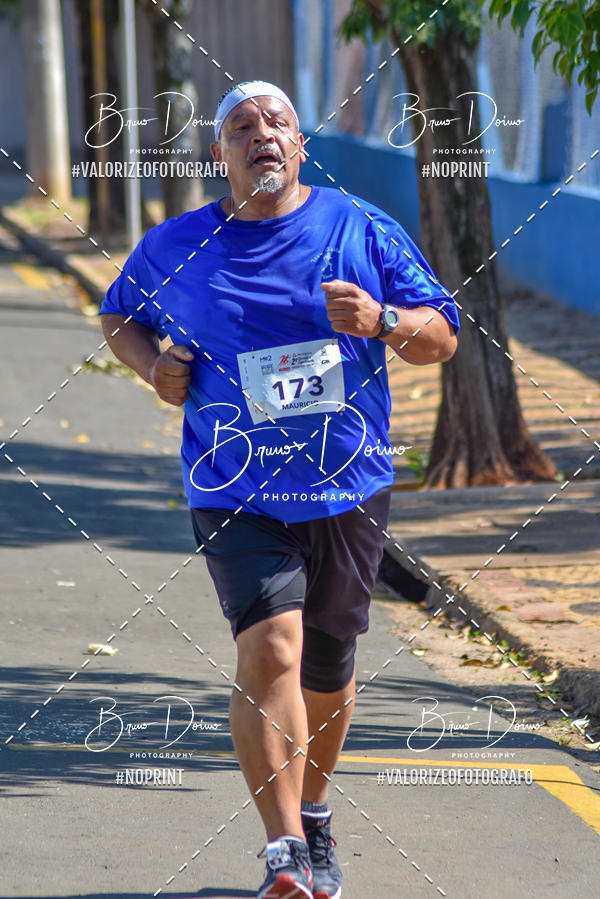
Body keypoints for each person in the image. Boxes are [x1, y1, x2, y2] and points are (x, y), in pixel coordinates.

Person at [99, 80, 459, 899]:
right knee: (272, 649)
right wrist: (151, 366)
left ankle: (317, 809)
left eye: (278, 122)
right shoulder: (175, 247)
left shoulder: (360, 227)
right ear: (218, 153)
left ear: (300, 146)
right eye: (241, 126)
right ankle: (285, 850)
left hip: (348, 484)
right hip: (232, 487)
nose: (262, 133)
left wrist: (379, 321)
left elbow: (442, 334)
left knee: (328, 664)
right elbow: (119, 316)